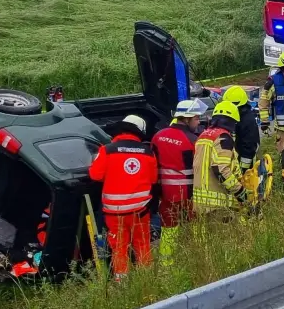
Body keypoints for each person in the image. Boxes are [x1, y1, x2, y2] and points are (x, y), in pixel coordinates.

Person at [88, 115, 161, 279]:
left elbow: (95, 175)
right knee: (142, 245)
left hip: (115, 213)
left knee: (119, 248)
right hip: (140, 211)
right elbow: (153, 179)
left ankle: (122, 282)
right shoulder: (148, 152)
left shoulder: (107, 150)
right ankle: (146, 280)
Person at [152, 100, 204, 266]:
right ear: (186, 119)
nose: (199, 122)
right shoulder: (193, 140)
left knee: (168, 230)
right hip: (189, 195)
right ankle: (199, 260)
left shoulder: (158, 136)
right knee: (197, 228)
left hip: (165, 194)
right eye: (196, 118)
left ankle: (166, 267)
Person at [192, 101, 246, 216]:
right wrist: (240, 192)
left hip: (200, 202)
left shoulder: (203, 135)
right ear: (231, 121)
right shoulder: (223, 138)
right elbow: (221, 170)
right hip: (218, 204)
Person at [228, 86, 262, 168]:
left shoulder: (247, 120)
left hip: (246, 165)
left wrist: (243, 170)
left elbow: (249, 147)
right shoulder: (239, 116)